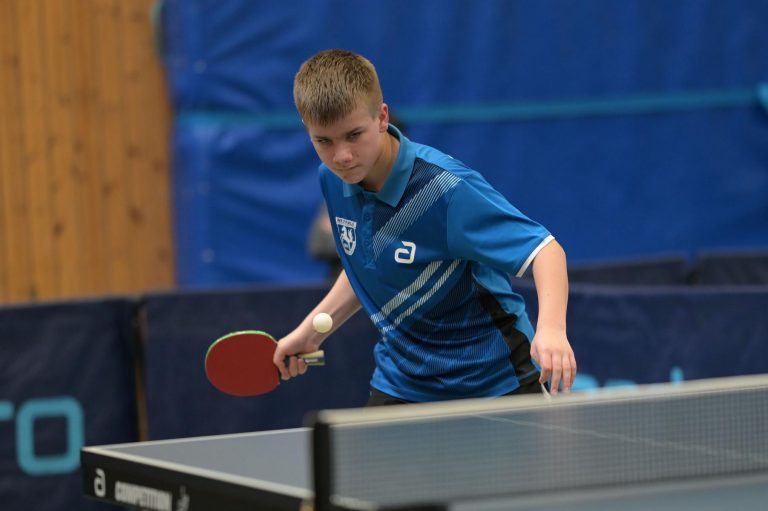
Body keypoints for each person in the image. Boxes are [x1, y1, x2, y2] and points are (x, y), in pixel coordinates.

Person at [275, 49, 576, 405]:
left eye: (354, 135)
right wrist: (310, 331)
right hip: (402, 381)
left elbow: (544, 251)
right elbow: (367, 263)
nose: (342, 156)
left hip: (494, 379)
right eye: (324, 141)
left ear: (382, 117)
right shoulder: (333, 179)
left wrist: (552, 330)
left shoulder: (444, 189)